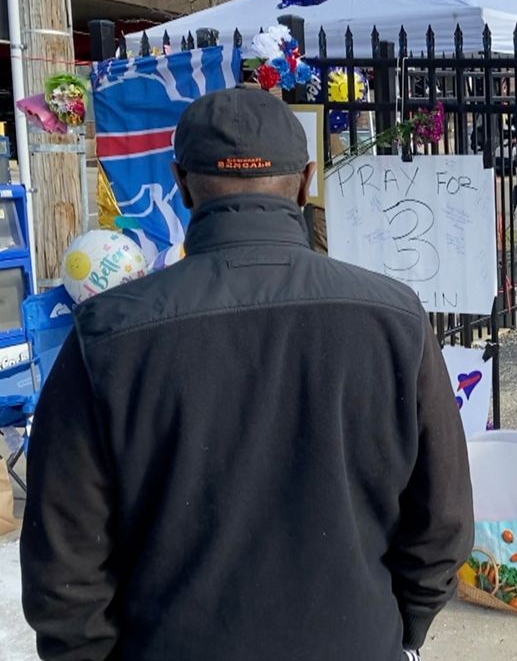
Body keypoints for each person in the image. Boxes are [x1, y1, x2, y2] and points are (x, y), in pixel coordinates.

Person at [20, 87, 473, 661]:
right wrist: (400, 630)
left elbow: (63, 560)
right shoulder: (394, 319)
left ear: (182, 184)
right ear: (307, 182)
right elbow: (445, 519)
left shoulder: (106, 335)